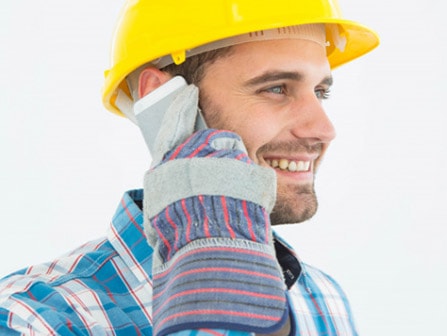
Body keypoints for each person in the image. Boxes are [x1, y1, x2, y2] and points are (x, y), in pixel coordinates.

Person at [0, 0, 379, 334]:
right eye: (276, 88)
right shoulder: (33, 319)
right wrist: (214, 273)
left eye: (321, 92)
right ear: (162, 100)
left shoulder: (324, 300)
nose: (323, 130)